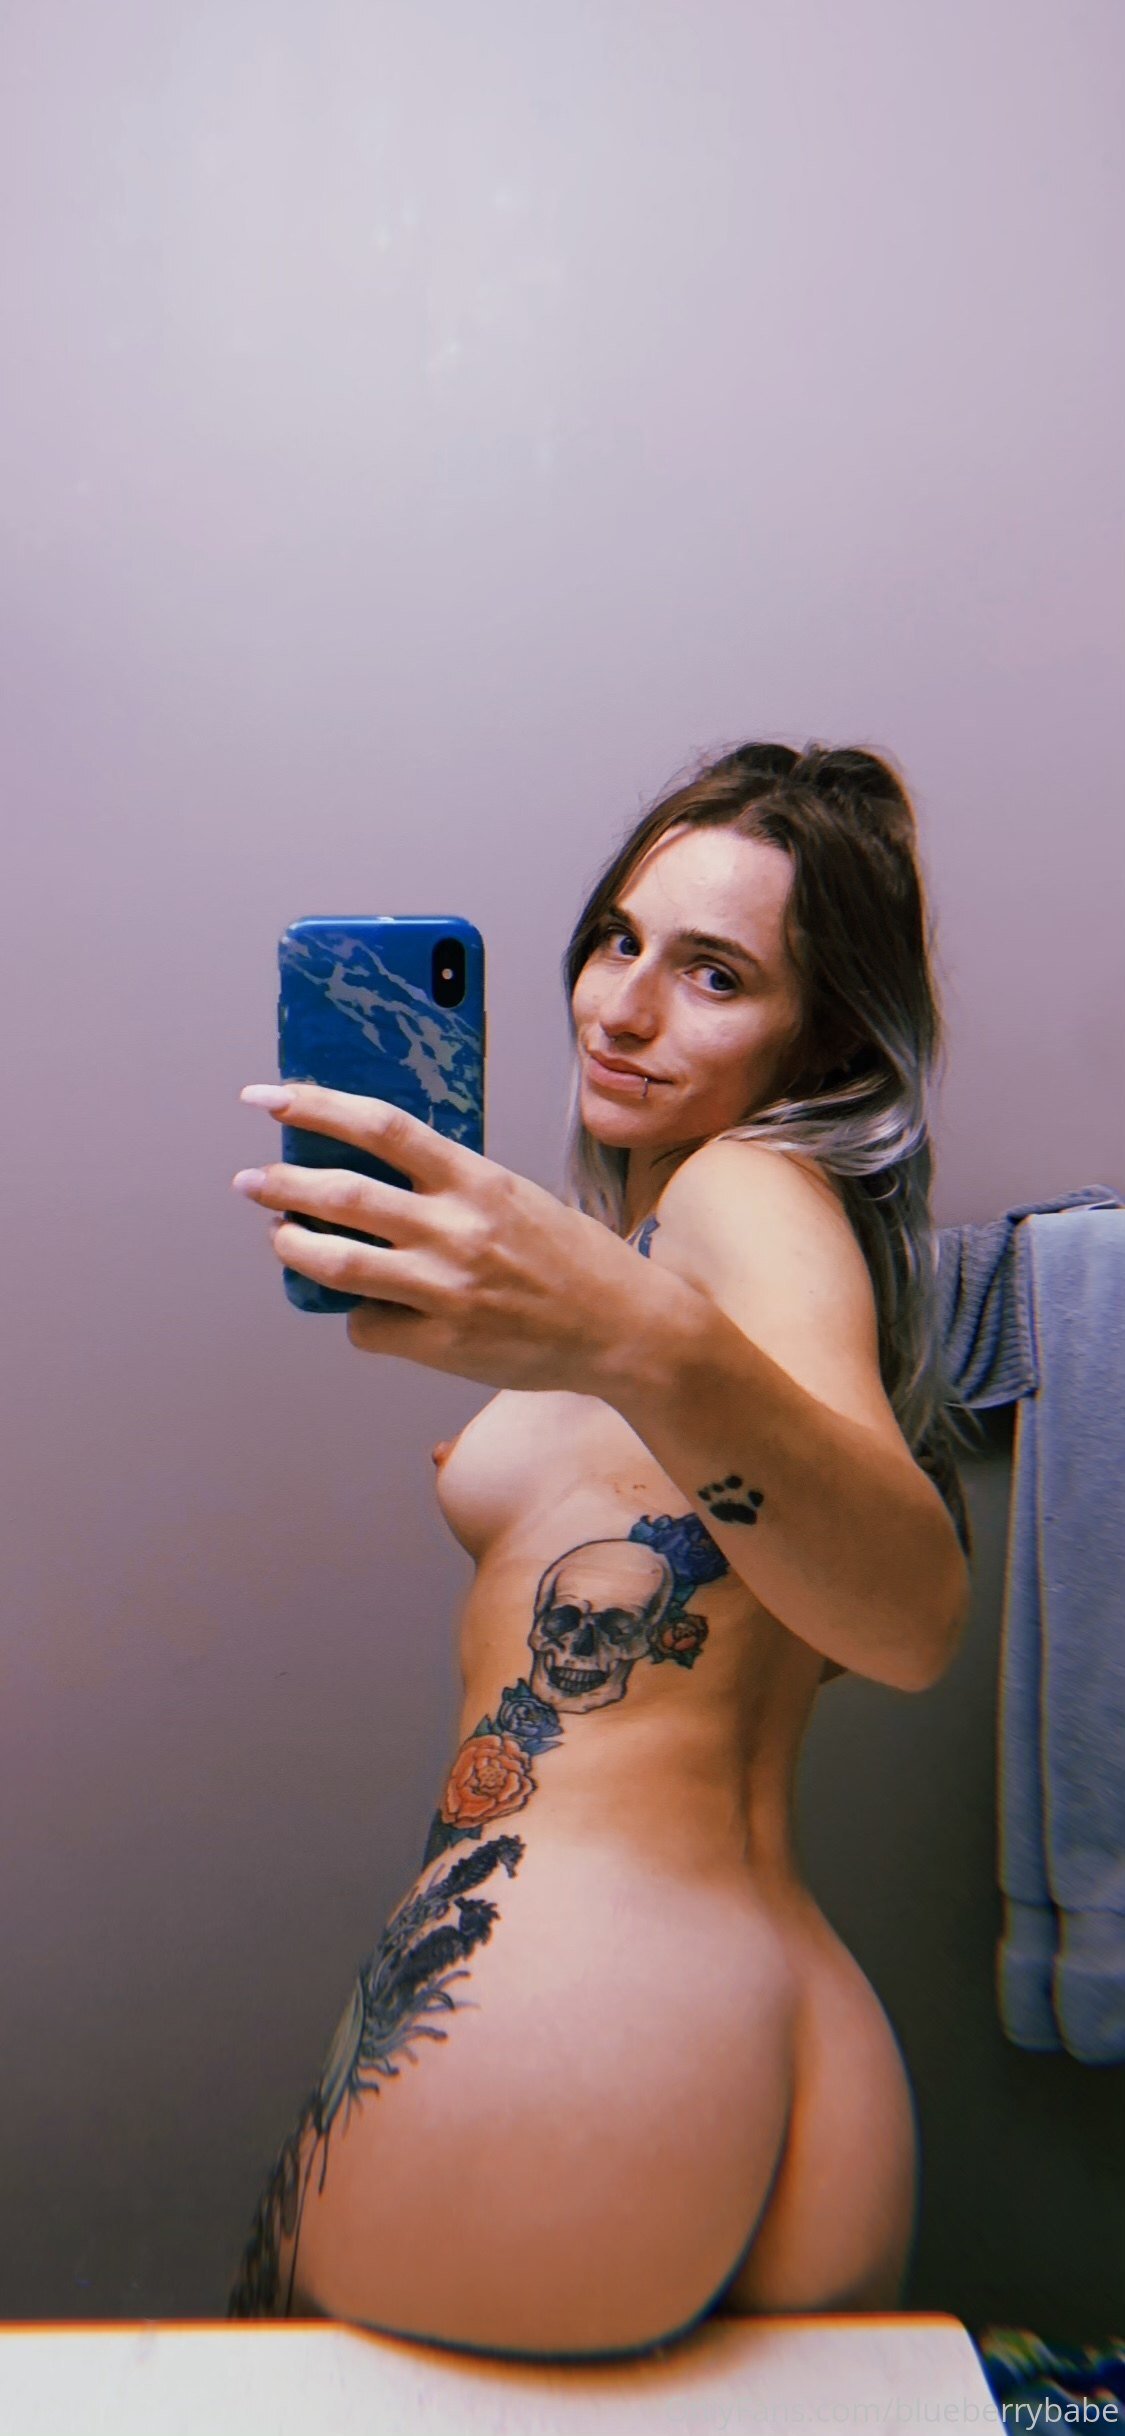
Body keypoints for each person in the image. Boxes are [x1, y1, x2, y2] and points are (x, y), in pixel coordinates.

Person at [225, 739, 975, 2357]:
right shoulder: (722, 1245)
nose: (622, 1009)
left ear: (825, 1040)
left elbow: (912, 1617)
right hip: (771, 2013)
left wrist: (626, 1338)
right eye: (618, 940)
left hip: (582, 2030)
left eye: (714, 974)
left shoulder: (740, 1195)